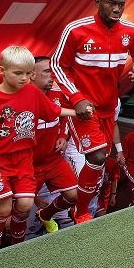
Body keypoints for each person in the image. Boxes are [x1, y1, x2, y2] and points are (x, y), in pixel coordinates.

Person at [0, 46, 85, 251]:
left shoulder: (31, 91)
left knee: (25, 205)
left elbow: (52, 110)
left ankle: (16, 246)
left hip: (24, 160)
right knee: (3, 209)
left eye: (28, 74)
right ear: (2, 71)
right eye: (18, 73)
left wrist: (77, 112)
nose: (24, 78)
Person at [51, 0, 134, 224]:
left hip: (109, 107)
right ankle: (81, 211)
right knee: (96, 158)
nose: (117, 9)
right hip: (84, 108)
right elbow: (57, 65)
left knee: (100, 162)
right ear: (97, 2)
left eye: (121, 5)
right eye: (111, 3)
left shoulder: (130, 31)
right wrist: (77, 98)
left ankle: (55, 211)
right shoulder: (76, 30)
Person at [30, 56, 78, 233]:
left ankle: (46, 214)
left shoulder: (58, 93)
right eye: (47, 72)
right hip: (29, 165)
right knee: (19, 213)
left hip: (53, 160)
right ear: (32, 74)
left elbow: (64, 117)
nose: (52, 76)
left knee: (74, 195)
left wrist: (63, 136)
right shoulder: (21, 98)